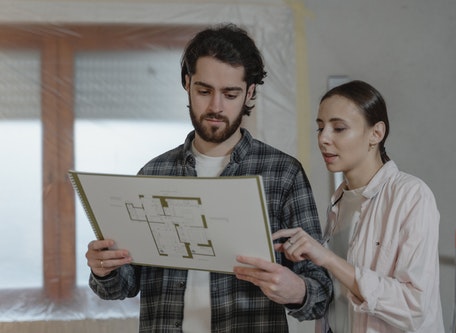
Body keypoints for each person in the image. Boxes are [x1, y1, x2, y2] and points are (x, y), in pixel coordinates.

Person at [85, 23, 332, 332]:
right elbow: (122, 287)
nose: (216, 107)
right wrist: (104, 269)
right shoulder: (153, 173)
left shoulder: (283, 174)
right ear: (187, 84)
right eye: (204, 91)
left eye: (230, 94)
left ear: (250, 92)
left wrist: (295, 289)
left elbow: (321, 294)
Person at [273, 80, 444, 333]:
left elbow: (414, 306)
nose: (323, 139)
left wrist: (329, 260)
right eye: (320, 128)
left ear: (376, 133)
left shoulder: (411, 195)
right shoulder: (340, 200)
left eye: (339, 128)